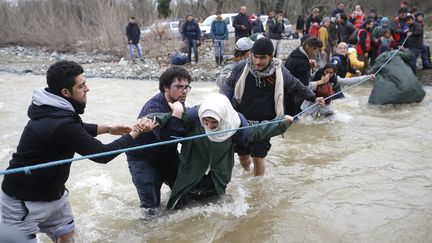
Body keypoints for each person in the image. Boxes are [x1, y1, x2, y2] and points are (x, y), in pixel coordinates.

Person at [0, 61, 157, 242]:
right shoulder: (60, 122)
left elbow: (76, 128)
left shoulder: (51, 107)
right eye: (81, 86)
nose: (87, 89)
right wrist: (136, 132)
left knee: (68, 238)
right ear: (65, 92)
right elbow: (102, 154)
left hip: (55, 196)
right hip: (22, 203)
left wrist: (109, 128)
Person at [148, 93, 293, 209]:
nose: (210, 126)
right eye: (207, 122)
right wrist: (148, 121)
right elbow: (165, 117)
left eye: (214, 122)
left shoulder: (235, 125)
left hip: (217, 177)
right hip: (191, 173)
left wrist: (282, 122)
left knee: (213, 209)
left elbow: (260, 129)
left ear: (223, 118)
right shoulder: (193, 119)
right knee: (176, 208)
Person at [221, 38, 324, 176]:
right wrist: (220, 107)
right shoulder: (240, 67)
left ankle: (258, 189)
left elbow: (296, 85)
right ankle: (247, 177)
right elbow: (226, 88)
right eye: (255, 56)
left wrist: (313, 97)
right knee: (244, 158)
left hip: (266, 123)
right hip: (242, 121)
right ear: (251, 54)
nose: (257, 62)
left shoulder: (279, 71)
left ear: (271, 56)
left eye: (262, 58)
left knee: (258, 157)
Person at [126, 66, 192, 217]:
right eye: (179, 87)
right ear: (165, 88)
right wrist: (176, 114)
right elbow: (164, 139)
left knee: (183, 198)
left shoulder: (178, 103)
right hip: (143, 159)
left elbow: (183, 133)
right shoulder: (154, 107)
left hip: (168, 156)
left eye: (187, 87)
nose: (184, 91)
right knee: (151, 210)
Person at [301, 63, 374, 119]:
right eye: (327, 72)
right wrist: (321, 81)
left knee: (332, 121)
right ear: (323, 71)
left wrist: (367, 77)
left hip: (325, 106)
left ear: (334, 73)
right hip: (310, 105)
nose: (328, 75)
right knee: (304, 122)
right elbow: (305, 87)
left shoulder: (336, 80)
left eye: (331, 73)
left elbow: (351, 81)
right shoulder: (316, 75)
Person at [284, 37, 324, 115]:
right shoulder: (302, 63)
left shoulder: (297, 52)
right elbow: (304, 86)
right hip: (292, 98)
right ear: (311, 48)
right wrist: (321, 82)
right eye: (316, 51)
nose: (316, 53)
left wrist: (308, 65)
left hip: (287, 93)